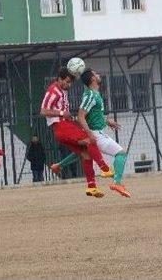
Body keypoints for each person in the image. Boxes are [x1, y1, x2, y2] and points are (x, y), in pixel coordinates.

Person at [50, 68, 131, 198]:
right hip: (95, 134)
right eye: (96, 74)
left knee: (84, 152)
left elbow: (90, 115)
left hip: (96, 132)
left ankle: (58, 165)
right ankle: (117, 183)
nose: (98, 75)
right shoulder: (91, 95)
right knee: (121, 153)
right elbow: (81, 115)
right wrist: (90, 134)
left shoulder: (93, 94)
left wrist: (106, 120)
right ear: (93, 78)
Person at [40, 66, 111, 198]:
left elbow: (64, 111)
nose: (69, 84)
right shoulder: (53, 91)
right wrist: (62, 113)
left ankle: (91, 187)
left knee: (85, 154)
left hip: (64, 126)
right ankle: (105, 168)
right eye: (66, 81)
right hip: (61, 126)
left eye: (70, 82)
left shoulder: (62, 89)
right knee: (91, 139)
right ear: (59, 78)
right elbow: (43, 111)